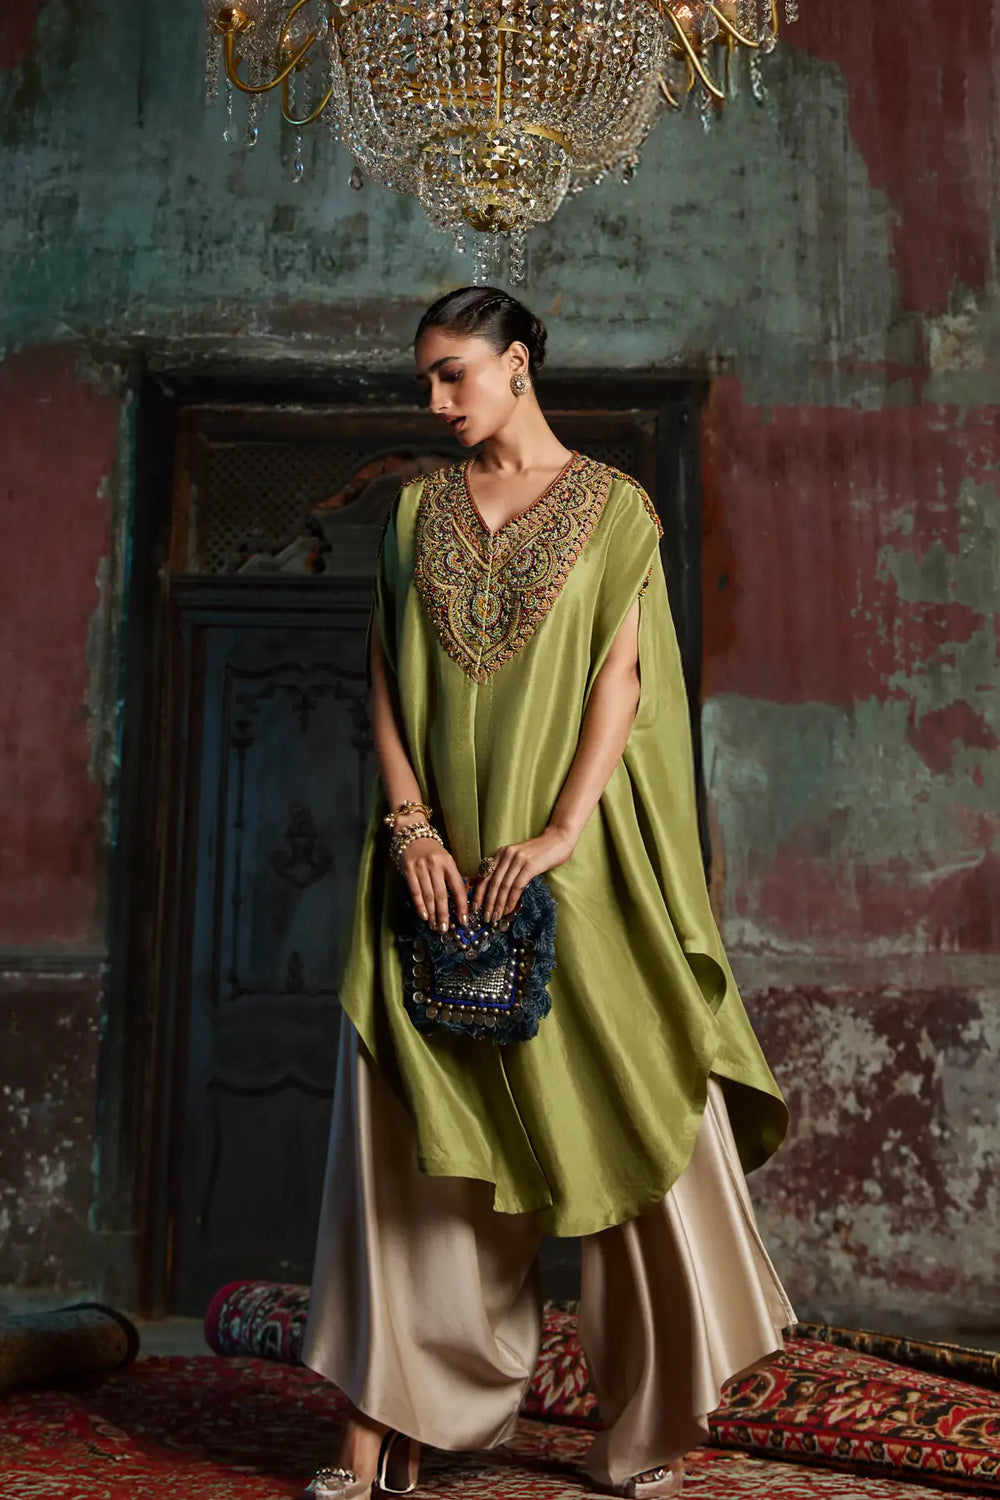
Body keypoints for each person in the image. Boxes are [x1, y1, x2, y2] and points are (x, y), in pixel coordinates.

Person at [299, 287, 795, 1500]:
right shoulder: (415, 513)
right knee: (408, 1138)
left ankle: (647, 1423)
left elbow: (622, 682)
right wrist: (410, 826)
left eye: (452, 375)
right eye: (425, 379)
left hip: (570, 864)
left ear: (517, 365)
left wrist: (562, 831)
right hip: (428, 873)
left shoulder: (617, 512)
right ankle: (383, 1425)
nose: (433, 401)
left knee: (633, 1106)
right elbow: (381, 673)